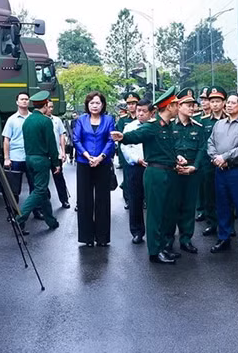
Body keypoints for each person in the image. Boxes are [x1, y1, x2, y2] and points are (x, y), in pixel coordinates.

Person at [111, 86, 181, 264]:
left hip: (170, 172)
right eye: (176, 104)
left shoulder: (169, 126)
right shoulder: (152, 126)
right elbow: (135, 135)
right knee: (155, 213)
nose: (178, 107)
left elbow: (169, 148)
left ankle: (165, 246)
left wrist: (177, 158)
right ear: (169, 106)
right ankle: (155, 251)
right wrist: (122, 137)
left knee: (167, 213)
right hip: (156, 173)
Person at [207, 92, 238, 257]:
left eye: (232, 103)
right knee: (222, 206)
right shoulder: (219, 124)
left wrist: (225, 157)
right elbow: (210, 142)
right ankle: (224, 238)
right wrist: (215, 158)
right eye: (227, 102)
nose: (228, 105)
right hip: (220, 170)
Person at [164, 88, 208, 255]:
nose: (192, 108)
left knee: (189, 207)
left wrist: (194, 167)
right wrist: (175, 163)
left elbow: (202, 149)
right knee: (171, 206)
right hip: (174, 171)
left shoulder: (198, 126)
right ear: (179, 106)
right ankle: (168, 240)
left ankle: (186, 239)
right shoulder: (169, 126)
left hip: (191, 172)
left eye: (193, 105)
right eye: (188, 105)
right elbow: (166, 148)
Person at [72, 91, 116, 247]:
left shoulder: (109, 119)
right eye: (92, 103)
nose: (95, 105)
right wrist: (87, 156)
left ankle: (102, 237)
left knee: (102, 200)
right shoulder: (81, 120)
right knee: (84, 200)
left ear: (102, 104)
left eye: (97, 103)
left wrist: (101, 157)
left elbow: (111, 140)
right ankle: (87, 237)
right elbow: (76, 139)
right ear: (87, 105)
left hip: (102, 163)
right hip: (84, 163)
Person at [14, 91, 61, 233]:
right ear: (46, 105)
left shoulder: (27, 120)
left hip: (29, 158)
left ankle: (51, 221)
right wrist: (56, 163)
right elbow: (52, 145)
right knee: (39, 190)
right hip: (41, 160)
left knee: (41, 191)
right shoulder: (46, 121)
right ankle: (19, 218)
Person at [2, 91, 42, 219]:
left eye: (26, 99)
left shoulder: (33, 118)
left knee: (34, 187)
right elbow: (6, 140)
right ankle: (13, 213)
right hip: (16, 158)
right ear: (17, 102)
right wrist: (6, 158)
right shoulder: (12, 120)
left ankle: (37, 211)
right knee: (14, 189)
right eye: (22, 99)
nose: (24, 101)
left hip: (31, 157)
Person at [122, 98, 152, 244]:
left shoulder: (156, 126)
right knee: (135, 200)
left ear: (151, 113)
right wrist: (137, 159)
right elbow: (124, 147)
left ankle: (157, 231)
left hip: (153, 167)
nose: (140, 113)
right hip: (136, 167)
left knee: (154, 200)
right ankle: (137, 231)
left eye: (144, 111)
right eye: (138, 110)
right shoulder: (130, 127)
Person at [199, 86, 227, 237]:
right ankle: (212, 223)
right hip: (208, 164)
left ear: (224, 103)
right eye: (212, 101)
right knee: (209, 195)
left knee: (226, 196)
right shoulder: (202, 121)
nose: (215, 104)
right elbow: (203, 143)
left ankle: (227, 225)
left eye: (218, 101)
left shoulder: (230, 118)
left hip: (226, 163)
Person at [47, 100, 71, 208]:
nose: (51, 109)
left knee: (59, 178)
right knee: (43, 180)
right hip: (43, 156)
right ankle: (46, 201)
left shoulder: (57, 120)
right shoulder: (39, 120)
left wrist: (63, 152)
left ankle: (64, 199)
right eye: (48, 107)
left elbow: (62, 136)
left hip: (56, 155)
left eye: (52, 107)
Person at [195, 86, 212, 223]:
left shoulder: (222, 118)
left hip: (216, 159)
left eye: (207, 99)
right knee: (202, 188)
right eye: (202, 99)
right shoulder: (197, 119)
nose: (204, 102)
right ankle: (202, 210)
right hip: (202, 159)